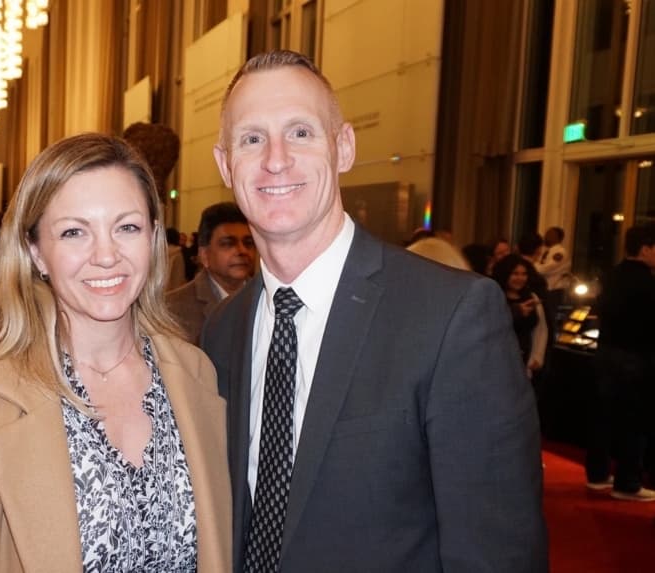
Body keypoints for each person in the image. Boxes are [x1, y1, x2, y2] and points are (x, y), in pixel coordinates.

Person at [204, 50, 546, 572]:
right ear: (225, 164)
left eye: (300, 132)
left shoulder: (451, 316)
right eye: (251, 139)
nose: (276, 159)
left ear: (343, 147)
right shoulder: (223, 329)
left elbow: (497, 552)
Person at [0, 133, 231, 572]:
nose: (106, 255)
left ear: (154, 237)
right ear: (36, 252)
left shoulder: (195, 372)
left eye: (127, 227)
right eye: (73, 232)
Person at [585, 223, 655, 501]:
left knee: (603, 418)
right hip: (636, 358)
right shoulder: (647, 282)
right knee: (634, 422)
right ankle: (627, 483)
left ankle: (597, 475)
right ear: (646, 249)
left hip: (605, 354)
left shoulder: (612, 275)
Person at [167, 202, 257, 343]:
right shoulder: (172, 308)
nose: (242, 251)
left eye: (248, 243)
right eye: (228, 244)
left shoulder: (270, 300)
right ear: (204, 255)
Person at [491, 254, 548, 379]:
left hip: (524, 359)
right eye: (515, 274)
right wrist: (515, 312)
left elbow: (541, 328)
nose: (520, 278)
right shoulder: (495, 297)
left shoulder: (531, 297)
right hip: (499, 361)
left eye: (524, 274)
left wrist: (538, 356)